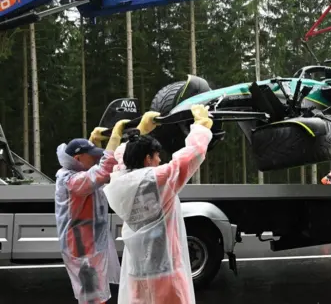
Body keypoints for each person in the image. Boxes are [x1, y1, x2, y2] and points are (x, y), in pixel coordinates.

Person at [102, 105, 213, 304]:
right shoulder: (157, 180)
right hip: (165, 270)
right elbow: (191, 156)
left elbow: (121, 156)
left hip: (137, 270)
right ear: (147, 159)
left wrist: (139, 133)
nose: (160, 160)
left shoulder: (118, 181)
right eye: (157, 156)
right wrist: (201, 126)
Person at [55, 119, 130, 304]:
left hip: (89, 245)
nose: (96, 158)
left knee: (97, 293)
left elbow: (95, 169)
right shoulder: (70, 180)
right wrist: (115, 138)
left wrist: (94, 142)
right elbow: (102, 171)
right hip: (82, 249)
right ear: (78, 159)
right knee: (92, 297)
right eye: (91, 155)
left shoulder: (76, 172)